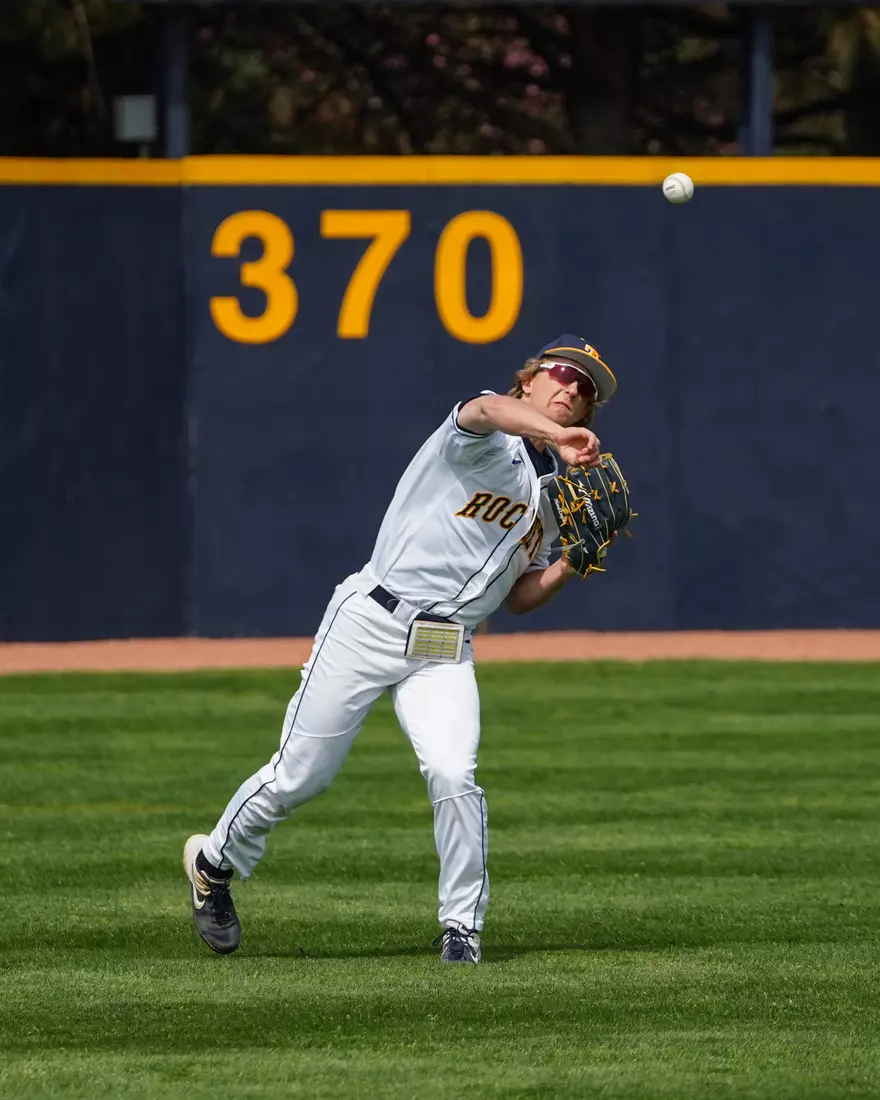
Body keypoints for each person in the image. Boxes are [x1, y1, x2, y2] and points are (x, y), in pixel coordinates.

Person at [183, 333, 617, 964]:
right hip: (370, 622)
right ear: (529, 381)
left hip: (447, 646)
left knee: (454, 773)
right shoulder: (480, 431)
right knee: (301, 775)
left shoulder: (552, 495)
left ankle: (461, 929)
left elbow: (519, 595)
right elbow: (489, 409)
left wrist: (572, 564)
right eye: (562, 374)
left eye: (584, 391)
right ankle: (213, 863)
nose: (572, 388)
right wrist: (554, 438)